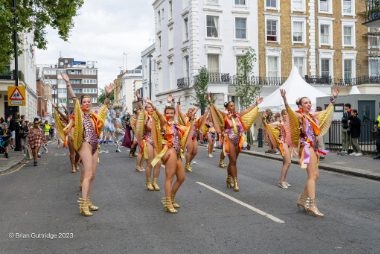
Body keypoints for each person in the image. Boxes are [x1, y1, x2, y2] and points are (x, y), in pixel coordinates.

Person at [280, 88, 339, 217]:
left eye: (309, 102)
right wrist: (285, 100)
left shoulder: (312, 115)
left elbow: (326, 111)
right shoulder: (300, 116)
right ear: (300, 106)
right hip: (306, 147)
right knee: (312, 176)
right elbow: (289, 112)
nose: (309, 104)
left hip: (313, 147)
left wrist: (333, 98)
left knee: (315, 175)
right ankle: (312, 204)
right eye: (305, 103)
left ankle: (302, 199)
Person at [62, 72, 114, 217]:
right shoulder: (78, 114)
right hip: (84, 144)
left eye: (89, 101)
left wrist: (108, 95)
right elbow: (74, 98)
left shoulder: (94, 116)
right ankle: (83, 204)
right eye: (84, 101)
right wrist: (68, 84)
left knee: (92, 175)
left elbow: (104, 109)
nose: (87, 103)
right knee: (88, 173)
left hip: (95, 145)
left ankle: (88, 200)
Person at [150, 96, 195, 213]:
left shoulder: (176, 125)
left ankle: (171, 197)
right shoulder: (165, 124)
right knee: (169, 177)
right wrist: (154, 107)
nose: (169, 115)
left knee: (181, 178)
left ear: (174, 114)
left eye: (171, 113)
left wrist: (192, 118)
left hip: (177, 153)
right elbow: (160, 116)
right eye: (167, 113)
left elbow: (188, 129)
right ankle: (168, 203)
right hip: (169, 152)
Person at [209, 95, 263, 192]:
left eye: (233, 105)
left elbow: (247, 110)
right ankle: (235, 182)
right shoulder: (224, 116)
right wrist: (210, 102)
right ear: (227, 107)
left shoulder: (238, 115)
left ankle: (229, 178)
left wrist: (256, 103)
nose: (233, 107)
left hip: (237, 141)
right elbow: (215, 110)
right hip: (229, 140)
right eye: (231, 106)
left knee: (233, 162)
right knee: (233, 161)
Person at [135, 98, 161, 191]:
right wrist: (139, 101)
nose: (150, 108)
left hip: (157, 142)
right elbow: (142, 113)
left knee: (158, 163)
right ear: (146, 109)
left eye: (151, 107)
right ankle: (148, 182)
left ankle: (155, 182)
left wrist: (152, 105)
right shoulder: (146, 117)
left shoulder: (156, 117)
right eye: (148, 107)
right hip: (148, 140)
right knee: (150, 163)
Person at [264, 109, 293, 189]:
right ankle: (281, 181)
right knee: (288, 162)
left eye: (287, 114)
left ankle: (283, 180)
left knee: (287, 163)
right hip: (282, 143)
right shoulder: (279, 123)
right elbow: (268, 127)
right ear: (282, 115)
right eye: (284, 114)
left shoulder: (290, 123)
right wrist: (275, 138)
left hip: (289, 144)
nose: (286, 116)